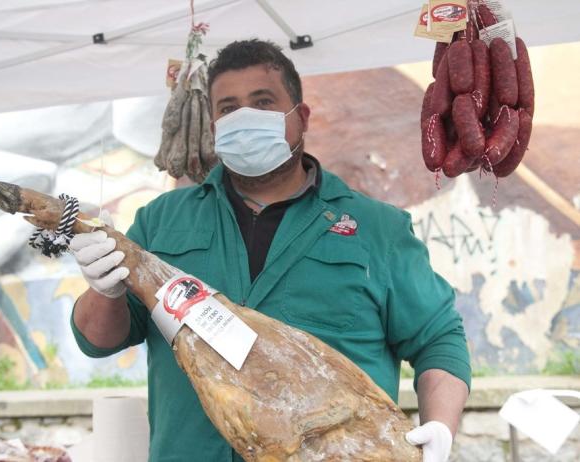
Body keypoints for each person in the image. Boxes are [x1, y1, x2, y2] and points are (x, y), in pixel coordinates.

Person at [69, 39, 470, 462]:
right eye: (228, 108)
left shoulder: (377, 229)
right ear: (213, 127)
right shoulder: (160, 222)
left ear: (302, 117)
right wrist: (104, 290)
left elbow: (438, 337)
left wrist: (440, 426)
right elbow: (98, 341)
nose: (245, 118)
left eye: (263, 102)